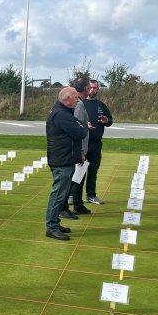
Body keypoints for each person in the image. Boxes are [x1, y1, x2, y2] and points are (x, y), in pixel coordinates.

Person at [45, 87, 88, 240]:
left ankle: (55, 222)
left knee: (61, 194)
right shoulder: (61, 115)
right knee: (58, 195)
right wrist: (82, 127)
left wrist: (81, 126)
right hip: (61, 160)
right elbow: (81, 132)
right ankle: (51, 227)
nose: (78, 100)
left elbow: (80, 127)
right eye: (76, 98)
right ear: (66, 99)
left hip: (64, 158)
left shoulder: (64, 113)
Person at [62, 77, 91, 218]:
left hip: (79, 148)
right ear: (85, 88)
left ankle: (77, 204)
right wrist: (81, 151)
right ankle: (68, 206)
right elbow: (77, 127)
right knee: (76, 178)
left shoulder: (79, 103)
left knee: (79, 177)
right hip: (78, 148)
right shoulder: (79, 104)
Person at [83, 79, 113, 204]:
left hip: (96, 144)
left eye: (95, 88)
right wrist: (85, 124)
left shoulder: (101, 105)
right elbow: (73, 121)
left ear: (98, 89)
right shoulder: (81, 104)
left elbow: (110, 121)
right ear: (86, 88)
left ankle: (91, 195)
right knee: (79, 171)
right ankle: (73, 196)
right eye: (91, 87)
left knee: (93, 170)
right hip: (83, 143)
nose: (93, 90)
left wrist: (106, 120)